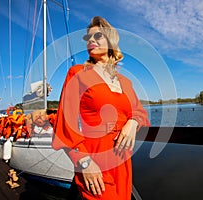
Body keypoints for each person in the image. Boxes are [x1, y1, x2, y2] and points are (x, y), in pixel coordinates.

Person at [52, 16, 150, 200]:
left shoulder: (125, 82)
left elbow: (140, 112)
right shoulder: (78, 74)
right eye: (88, 37)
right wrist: (84, 162)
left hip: (122, 163)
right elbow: (65, 124)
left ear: (111, 41)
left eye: (98, 36)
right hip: (94, 163)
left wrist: (132, 122)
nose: (91, 40)